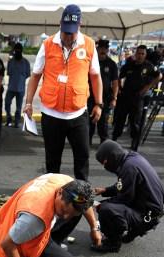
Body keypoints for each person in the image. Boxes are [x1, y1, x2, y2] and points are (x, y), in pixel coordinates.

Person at [23, 4, 103, 181]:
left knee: (82, 159)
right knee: (52, 162)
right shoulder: (48, 44)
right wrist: (28, 103)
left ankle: (81, 199)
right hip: (51, 114)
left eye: (72, 32)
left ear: (79, 25)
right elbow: (35, 76)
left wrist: (98, 103)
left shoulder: (89, 45)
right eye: (65, 31)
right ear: (60, 24)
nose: (68, 36)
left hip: (78, 114)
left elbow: (96, 77)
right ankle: (53, 197)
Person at [0, 174, 100, 257]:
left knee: (74, 215)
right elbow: (7, 244)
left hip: (24, 227)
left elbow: (84, 203)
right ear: (60, 193)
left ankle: (53, 243)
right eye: (63, 210)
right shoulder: (35, 219)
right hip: (13, 246)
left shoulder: (68, 184)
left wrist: (94, 228)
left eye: (70, 213)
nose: (65, 217)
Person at [91, 140, 164, 252]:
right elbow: (125, 186)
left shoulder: (128, 168)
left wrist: (100, 205)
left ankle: (113, 243)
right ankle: (134, 231)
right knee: (109, 205)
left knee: (106, 209)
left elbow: (124, 199)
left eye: (105, 162)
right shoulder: (132, 158)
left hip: (147, 215)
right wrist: (105, 190)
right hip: (150, 209)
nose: (105, 167)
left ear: (112, 156)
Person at [111, 45, 159, 142]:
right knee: (120, 119)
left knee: (135, 122)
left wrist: (147, 87)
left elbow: (159, 76)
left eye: (142, 54)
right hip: (125, 96)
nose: (140, 55)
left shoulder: (149, 66)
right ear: (135, 53)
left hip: (138, 97)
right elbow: (119, 77)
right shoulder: (129, 65)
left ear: (145, 55)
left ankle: (134, 142)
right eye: (138, 53)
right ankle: (114, 139)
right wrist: (119, 88)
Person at [90, 39, 119, 144]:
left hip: (105, 98)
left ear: (107, 50)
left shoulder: (111, 64)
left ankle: (104, 146)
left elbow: (115, 82)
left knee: (103, 125)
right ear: (97, 49)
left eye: (105, 48)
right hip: (90, 97)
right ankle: (87, 143)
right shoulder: (91, 62)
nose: (103, 50)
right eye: (101, 48)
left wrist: (114, 98)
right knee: (89, 122)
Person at [5, 42, 30, 128]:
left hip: (20, 89)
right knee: (7, 103)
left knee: (18, 107)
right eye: (16, 50)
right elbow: (8, 73)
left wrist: (20, 80)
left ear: (22, 51)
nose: (17, 52)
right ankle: (8, 118)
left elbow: (27, 74)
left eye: (19, 50)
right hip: (11, 87)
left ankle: (16, 122)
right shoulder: (10, 62)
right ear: (14, 51)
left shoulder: (26, 62)